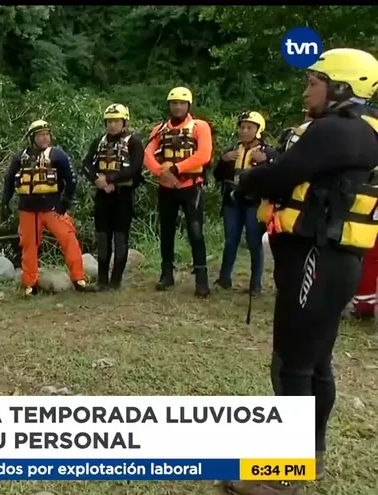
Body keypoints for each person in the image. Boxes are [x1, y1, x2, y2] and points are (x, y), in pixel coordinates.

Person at [224, 48, 378, 495]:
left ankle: (284, 476)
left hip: (316, 256)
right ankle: (310, 453)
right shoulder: (365, 131)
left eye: (314, 80)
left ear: (340, 87)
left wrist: (250, 180)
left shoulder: (336, 130)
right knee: (316, 361)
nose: (306, 88)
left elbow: (278, 176)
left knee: (291, 362)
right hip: (336, 259)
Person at [144, 87, 214, 297]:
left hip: (191, 186)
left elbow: (204, 155)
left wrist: (176, 169)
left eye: (181, 103)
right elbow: (148, 154)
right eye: (174, 103)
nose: (177, 107)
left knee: (195, 232)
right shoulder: (159, 129)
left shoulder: (199, 126)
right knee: (166, 230)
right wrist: (161, 173)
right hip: (167, 187)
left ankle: (201, 280)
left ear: (188, 106)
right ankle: (167, 274)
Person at [2, 120, 87, 295]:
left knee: (69, 239)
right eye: (41, 134)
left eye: (47, 134)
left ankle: (78, 278)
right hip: (27, 209)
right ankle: (30, 283)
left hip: (53, 207)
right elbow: (9, 179)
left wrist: (65, 201)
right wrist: (5, 201)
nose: (45, 137)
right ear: (32, 137)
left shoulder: (58, 155)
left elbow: (72, 179)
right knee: (29, 245)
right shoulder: (20, 157)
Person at [213, 111, 277, 295]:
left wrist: (266, 162)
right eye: (242, 127)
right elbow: (218, 176)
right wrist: (224, 161)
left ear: (259, 130)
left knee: (253, 241)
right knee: (230, 240)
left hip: (254, 202)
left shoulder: (268, 152)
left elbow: (276, 176)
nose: (244, 131)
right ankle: (224, 278)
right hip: (232, 201)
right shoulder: (232, 150)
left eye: (249, 127)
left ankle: (255, 284)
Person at [82, 104, 144, 290]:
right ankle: (102, 280)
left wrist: (110, 179)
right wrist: (97, 180)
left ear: (124, 122)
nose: (112, 125)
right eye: (109, 121)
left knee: (120, 237)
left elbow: (134, 169)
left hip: (122, 195)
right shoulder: (98, 142)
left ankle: (115, 281)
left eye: (116, 121)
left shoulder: (134, 143)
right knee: (102, 237)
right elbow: (86, 164)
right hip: (102, 195)